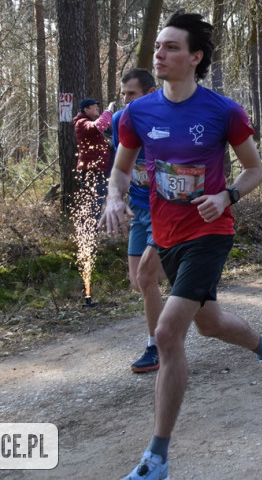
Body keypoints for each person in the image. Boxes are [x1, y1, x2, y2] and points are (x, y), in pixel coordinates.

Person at [103, 12, 262, 480]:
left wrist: (227, 195)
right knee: (209, 323)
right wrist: (115, 196)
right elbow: (121, 169)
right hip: (166, 235)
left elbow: (254, 169)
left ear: (194, 58)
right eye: (158, 47)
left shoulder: (223, 111)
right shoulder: (137, 113)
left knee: (168, 334)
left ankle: (156, 458)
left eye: (170, 47)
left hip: (211, 232)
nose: (159, 54)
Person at [111, 68, 165, 373]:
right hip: (139, 210)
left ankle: (156, 345)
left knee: (146, 278)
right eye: (123, 94)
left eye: (132, 94)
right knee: (140, 283)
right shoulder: (121, 120)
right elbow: (122, 166)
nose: (126, 100)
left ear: (149, 93)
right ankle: (181, 302)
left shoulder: (165, 119)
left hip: (166, 212)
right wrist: (117, 196)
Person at [74, 97, 113, 214]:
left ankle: (92, 229)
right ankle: (88, 230)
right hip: (91, 171)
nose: (97, 108)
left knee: (97, 203)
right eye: (94, 106)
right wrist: (108, 112)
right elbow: (99, 125)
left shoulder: (89, 123)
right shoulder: (81, 123)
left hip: (98, 170)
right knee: (92, 205)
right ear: (86, 110)